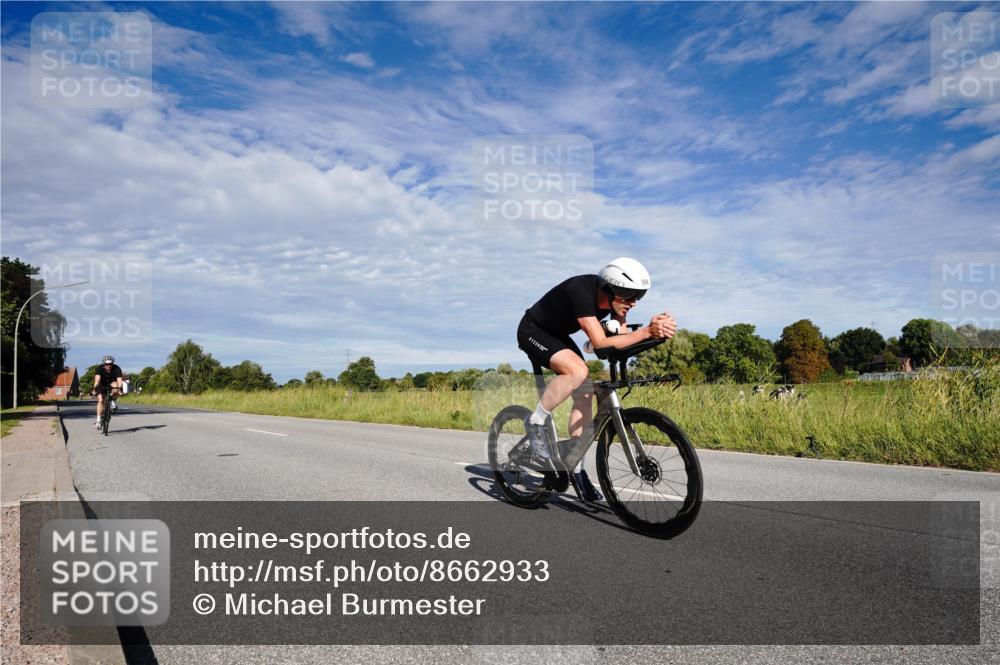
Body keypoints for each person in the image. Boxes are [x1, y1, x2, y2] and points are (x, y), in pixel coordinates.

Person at [516, 258, 676, 501]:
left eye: (638, 297)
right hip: (533, 330)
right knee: (577, 372)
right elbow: (601, 343)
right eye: (629, 296)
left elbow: (618, 341)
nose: (633, 303)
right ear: (609, 289)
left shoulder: (615, 305)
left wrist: (656, 332)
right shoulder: (580, 291)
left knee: (585, 392)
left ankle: (576, 469)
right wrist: (645, 332)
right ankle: (536, 421)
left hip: (557, 335)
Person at [92, 355, 124, 429]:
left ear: (112, 364)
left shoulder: (117, 368)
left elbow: (119, 381)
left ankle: (113, 402)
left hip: (112, 383)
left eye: (110, 364)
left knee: (116, 386)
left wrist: (120, 389)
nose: (108, 366)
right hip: (102, 385)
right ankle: (98, 422)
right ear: (104, 364)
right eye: (106, 364)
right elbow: (97, 380)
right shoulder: (99, 368)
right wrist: (95, 389)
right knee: (101, 400)